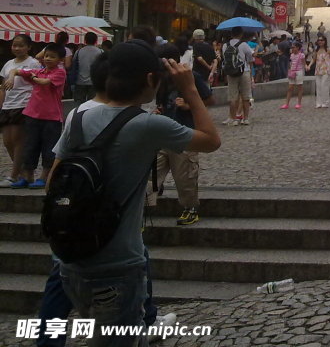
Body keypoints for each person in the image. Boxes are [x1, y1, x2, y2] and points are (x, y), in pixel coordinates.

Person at [53, 40, 220, 345]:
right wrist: (191, 89)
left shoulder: (77, 116)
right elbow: (211, 140)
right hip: (118, 264)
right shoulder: (146, 125)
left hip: (72, 262)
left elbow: (55, 178)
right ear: (150, 81)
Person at [154, 43, 214, 226]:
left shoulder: (191, 76)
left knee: (185, 177)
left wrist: (188, 105)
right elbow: (161, 103)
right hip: (163, 134)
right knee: (149, 175)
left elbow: (210, 99)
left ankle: (190, 208)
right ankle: (142, 210)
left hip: (186, 134)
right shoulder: (162, 79)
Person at [16, 43, 67, 188]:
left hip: (51, 118)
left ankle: (44, 177)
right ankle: (28, 176)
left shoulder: (59, 72)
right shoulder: (40, 71)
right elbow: (17, 70)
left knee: (49, 148)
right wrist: (12, 75)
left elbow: (44, 82)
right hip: (32, 114)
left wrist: (33, 77)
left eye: (52, 56)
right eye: (46, 56)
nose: (48, 59)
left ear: (60, 59)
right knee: (30, 146)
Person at [1, 34, 41, 187]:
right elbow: (3, 86)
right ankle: (23, 173)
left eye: (20, 45)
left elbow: (36, 84)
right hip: (8, 106)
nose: (17, 48)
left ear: (29, 47)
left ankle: (13, 176)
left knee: (18, 141)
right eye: (14, 45)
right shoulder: (8, 64)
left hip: (23, 104)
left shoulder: (33, 63)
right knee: (7, 141)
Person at [224, 27, 254, 125]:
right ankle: (245, 118)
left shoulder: (225, 45)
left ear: (231, 34)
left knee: (233, 97)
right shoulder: (244, 45)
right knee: (245, 96)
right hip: (244, 71)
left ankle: (234, 118)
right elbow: (250, 58)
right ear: (241, 34)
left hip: (231, 72)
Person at [69, 32, 103, 106]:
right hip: (94, 82)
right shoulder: (100, 52)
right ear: (96, 40)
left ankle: (78, 116)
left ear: (85, 40)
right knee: (92, 104)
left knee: (79, 104)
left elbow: (73, 64)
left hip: (79, 81)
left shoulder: (78, 52)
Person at [306, 36, 330, 108]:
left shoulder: (328, 49)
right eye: (319, 40)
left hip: (326, 70)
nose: (320, 42)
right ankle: (319, 102)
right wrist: (309, 65)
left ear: (325, 41)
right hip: (318, 70)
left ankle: (325, 102)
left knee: (324, 86)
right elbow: (314, 59)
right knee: (318, 87)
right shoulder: (317, 50)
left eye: (322, 40)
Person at [281, 42, 306, 109]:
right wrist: (290, 70)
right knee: (290, 88)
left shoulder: (302, 55)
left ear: (298, 48)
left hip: (299, 71)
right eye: (292, 47)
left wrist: (306, 68)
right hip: (292, 72)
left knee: (299, 87)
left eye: (293, 47)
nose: (292, 48)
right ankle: (287, 103)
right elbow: (291, 63)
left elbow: (304, 63)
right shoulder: (291, 55)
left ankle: (299, 103)